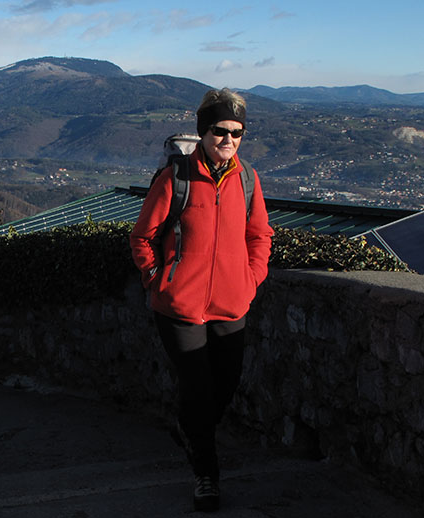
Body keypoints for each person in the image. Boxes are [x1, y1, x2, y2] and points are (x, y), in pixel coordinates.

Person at [129, 88, 273, 512]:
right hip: (179, 308)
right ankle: (206, 475)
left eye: (237, 133)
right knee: (198, 388)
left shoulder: (247, 179)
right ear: (203, 130)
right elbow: (142, 236)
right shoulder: (176, 177)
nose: (228, 140)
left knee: (225, 386)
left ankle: (190, 431)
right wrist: (158, 280)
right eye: (219, 131)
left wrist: (251, 279)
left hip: (232, 303)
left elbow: (260, 235)